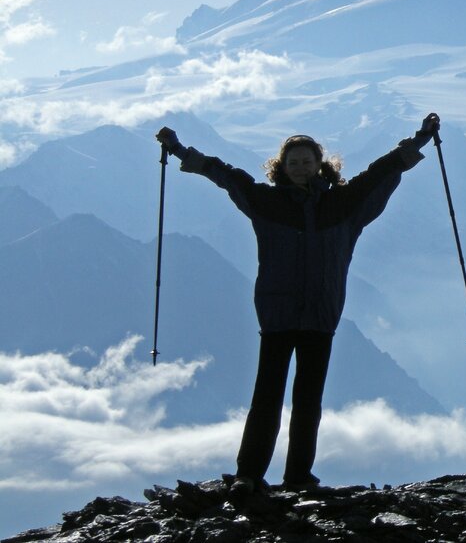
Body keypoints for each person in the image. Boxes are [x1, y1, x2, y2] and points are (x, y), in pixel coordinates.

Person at [155, 113, 440, 497]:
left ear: (320, 164)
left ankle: (294, 477)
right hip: (281, 313)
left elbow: (382, 170)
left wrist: (421, 139)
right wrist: (177, 150)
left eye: (307, 161)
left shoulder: (344, 201)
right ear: (282, 167)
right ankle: (251, 475)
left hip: (317, 314)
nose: (301, 168)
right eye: (294, 162)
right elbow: (222, 174)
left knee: (306, 400)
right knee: (269, 396)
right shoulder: (266, 200)